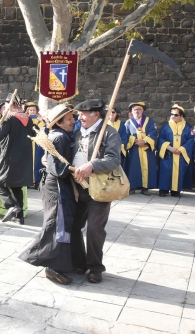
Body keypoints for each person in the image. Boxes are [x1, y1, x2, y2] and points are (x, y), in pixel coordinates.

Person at [20, 104, 78, 285]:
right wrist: (77, 170)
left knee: (60, 223)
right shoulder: (59, 137)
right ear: (59, 122)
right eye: (69, 119)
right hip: (57, 186)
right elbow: (57, 168)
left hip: (56, 185)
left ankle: (60, 263)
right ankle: (51, 266)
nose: (73, 121)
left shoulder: (57, 135)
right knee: (57, 225)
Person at [70, 99, 122, 284]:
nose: (80, 117)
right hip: (77, 187)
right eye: (79, 114)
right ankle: (79, 262)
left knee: (94, 229)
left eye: (84, 114)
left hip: (99, 188)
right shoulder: (77, 133)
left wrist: (93, 165)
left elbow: (114, 160)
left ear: (96, 115)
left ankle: (95, 267)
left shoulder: (109, 133)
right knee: (74, 226)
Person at [0, 97, 34, 224]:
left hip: (10, 155)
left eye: (7, 104)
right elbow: (33, 135)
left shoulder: (10, 118)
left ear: (11, 105)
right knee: (17, 186)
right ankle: (19, 216)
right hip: (24, 156)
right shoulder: (28, 119)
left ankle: (11, 205)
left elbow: (0, 134)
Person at [157, 104, 193, 197]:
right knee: (166, 170)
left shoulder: (188, 127)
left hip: (181, 154)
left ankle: (176, 190)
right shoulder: (166, 127)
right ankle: (164, 189)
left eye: (176, 115)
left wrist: (181, 149)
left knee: (179, 171)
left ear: (181, 116)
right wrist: (169, 148)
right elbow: (161, 139)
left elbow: (191, 140)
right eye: (172, 114)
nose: (173, 116)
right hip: (168, 154)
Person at [124, 102, 158, 194]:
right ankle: (132, 187)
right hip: (134, 149)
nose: (137, 111)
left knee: (147, 168)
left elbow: (153, 132)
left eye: (139, 109)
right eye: (135, 109)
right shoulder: (128, 122)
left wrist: (145, 141)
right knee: (133, 168)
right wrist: (134, 140)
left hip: (146, 148)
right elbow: (125, 135)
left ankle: (145, 188)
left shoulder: (149, 121)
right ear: (131, 111)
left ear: (143, 110)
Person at [25, 101, 47, 188]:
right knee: (27, 162)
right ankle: (27, 181)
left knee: (38, 162)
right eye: (30, 110)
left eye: (34, 110)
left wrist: (41, 121)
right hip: (28, 143)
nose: (32, 112)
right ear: (28, 111)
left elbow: (44, 131)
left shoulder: (40, 120)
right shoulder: (25, 120)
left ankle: (37, 181)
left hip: (38, 144)